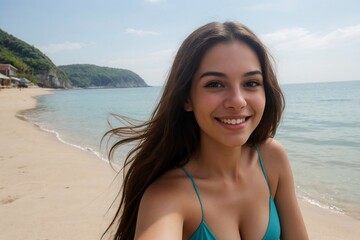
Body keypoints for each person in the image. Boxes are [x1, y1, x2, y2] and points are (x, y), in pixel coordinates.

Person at [103, 21, 308, 240]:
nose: (237, 101)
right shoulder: (166, 198)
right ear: (186, 98)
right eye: (215, 84)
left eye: (251, 83)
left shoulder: (271, 159)